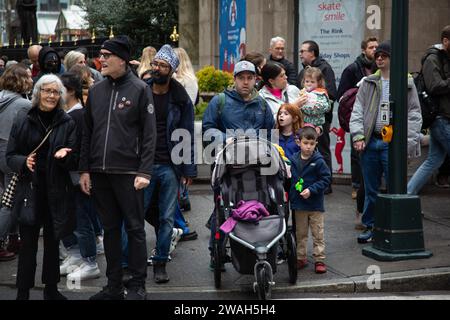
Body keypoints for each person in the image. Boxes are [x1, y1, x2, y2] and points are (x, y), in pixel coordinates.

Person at [79, 36, 156, 300]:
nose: (101, 59)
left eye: (106, 55)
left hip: (129, 173)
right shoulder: (97, 91)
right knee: (110, 230)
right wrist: (85, 170)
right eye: (100, 54)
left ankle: (137, 285)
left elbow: (149, 135)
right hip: (100, 173)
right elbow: (86, 134)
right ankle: (113, 286)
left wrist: (144, 171)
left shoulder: (139, 89)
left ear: (122, 59)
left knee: (135, 229)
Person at [6, 74, 78, 300]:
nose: (51, 95)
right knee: (28, 245)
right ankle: (23, 292)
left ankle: (51, 289)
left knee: (52, 243)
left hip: (56, 191)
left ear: (61, 96)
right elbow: (10, 156)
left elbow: (75, 158)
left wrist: (66, 155)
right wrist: (23, 162)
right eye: (46, 91)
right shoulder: (23, 118)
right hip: (30, 190)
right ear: (38, 93)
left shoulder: (67, 122)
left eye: (56, 92)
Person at [202, 60, 275, 270]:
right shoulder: (220, 101)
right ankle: (215, 249)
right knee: (223, 206)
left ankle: (263, 245)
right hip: (228, 166)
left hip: (257, 167)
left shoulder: (261, 104)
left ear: (255, 80)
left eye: (249, 78)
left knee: (263, 202)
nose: (245, 82)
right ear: (234, 80)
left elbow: (270, 132)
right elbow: (207, 129)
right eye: (241, 78)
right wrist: (225, 138)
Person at [350, 41, 422, 243]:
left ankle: (393, 228)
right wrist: (358, 136)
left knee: (395, 188)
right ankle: (371, 226)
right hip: (371, 142)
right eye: (377, 55)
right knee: (371, 189)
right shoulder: (368, 82)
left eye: (384, 55)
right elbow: (357, 111)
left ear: (393, 59)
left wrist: (407, 144)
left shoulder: (406, 82)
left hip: (393, 144)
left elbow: (414, 114)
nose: (379, 58)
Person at [142, 44, 196, 284]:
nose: (157, 68)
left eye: (163, 66)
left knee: (166, 218)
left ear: (172, 70)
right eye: (156, 64)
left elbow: (187, 134)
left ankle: (161, 261)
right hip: (142, 165)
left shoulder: (181, 98)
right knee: (136, 214)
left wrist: (188, 169)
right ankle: (128, 264)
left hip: (169, 167)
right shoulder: (141, 92)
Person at [58, 72, 101, 282]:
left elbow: (82, 148)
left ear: (71, 91)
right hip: (71, 176)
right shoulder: (72, 115)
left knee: (82, 221)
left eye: (59, 89)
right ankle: (77, 255)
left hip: (77, 176)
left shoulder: (77, 116)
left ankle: (90, 261)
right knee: (73, 218)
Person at [338, 37, 379, 226]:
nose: (375, 50)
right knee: (358, 158)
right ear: (364, 50)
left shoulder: (380, 72)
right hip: (359, 120)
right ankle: (356, 188)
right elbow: (342, 96)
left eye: (377, 48)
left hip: (377, 124)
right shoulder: (353, 69)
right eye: (371, 47)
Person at [407, 26, 450, 195]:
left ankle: (407, 194)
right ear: (445, 40)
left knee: (433, 160)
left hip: (444, 117)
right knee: (433, 160)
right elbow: (434, 85)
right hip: (440, 117)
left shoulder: (445, 58)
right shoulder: (432, 58)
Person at [0, 64, 33, 261]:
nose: (31, 80)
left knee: (5, 197)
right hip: (11, 155)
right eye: (28, 77)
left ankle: (13, 238)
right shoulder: (24, 105)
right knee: (10, 202)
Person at [289, 127, 331, 273]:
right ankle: (301, 258)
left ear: (316, 144)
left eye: (312, 144)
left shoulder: (318, 161)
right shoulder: (293, 160)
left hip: (315, 205)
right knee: (300, 234)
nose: (308, 146)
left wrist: (311, 190)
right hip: (299, 204)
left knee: (317, 233)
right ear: (298, 142)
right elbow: (294, 180)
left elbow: (326, 179)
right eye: (305, 143)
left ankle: (319, 259)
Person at [297, 40, 337, 194]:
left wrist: (312, 106)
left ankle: (325, 184)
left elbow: (331, 94)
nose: (300, 54)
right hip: (304, 123)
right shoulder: (304, 71)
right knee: (305, 151)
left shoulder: (325, 68)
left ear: (312, 53)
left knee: (322, 151)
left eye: (303, 51)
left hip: (321, 122)